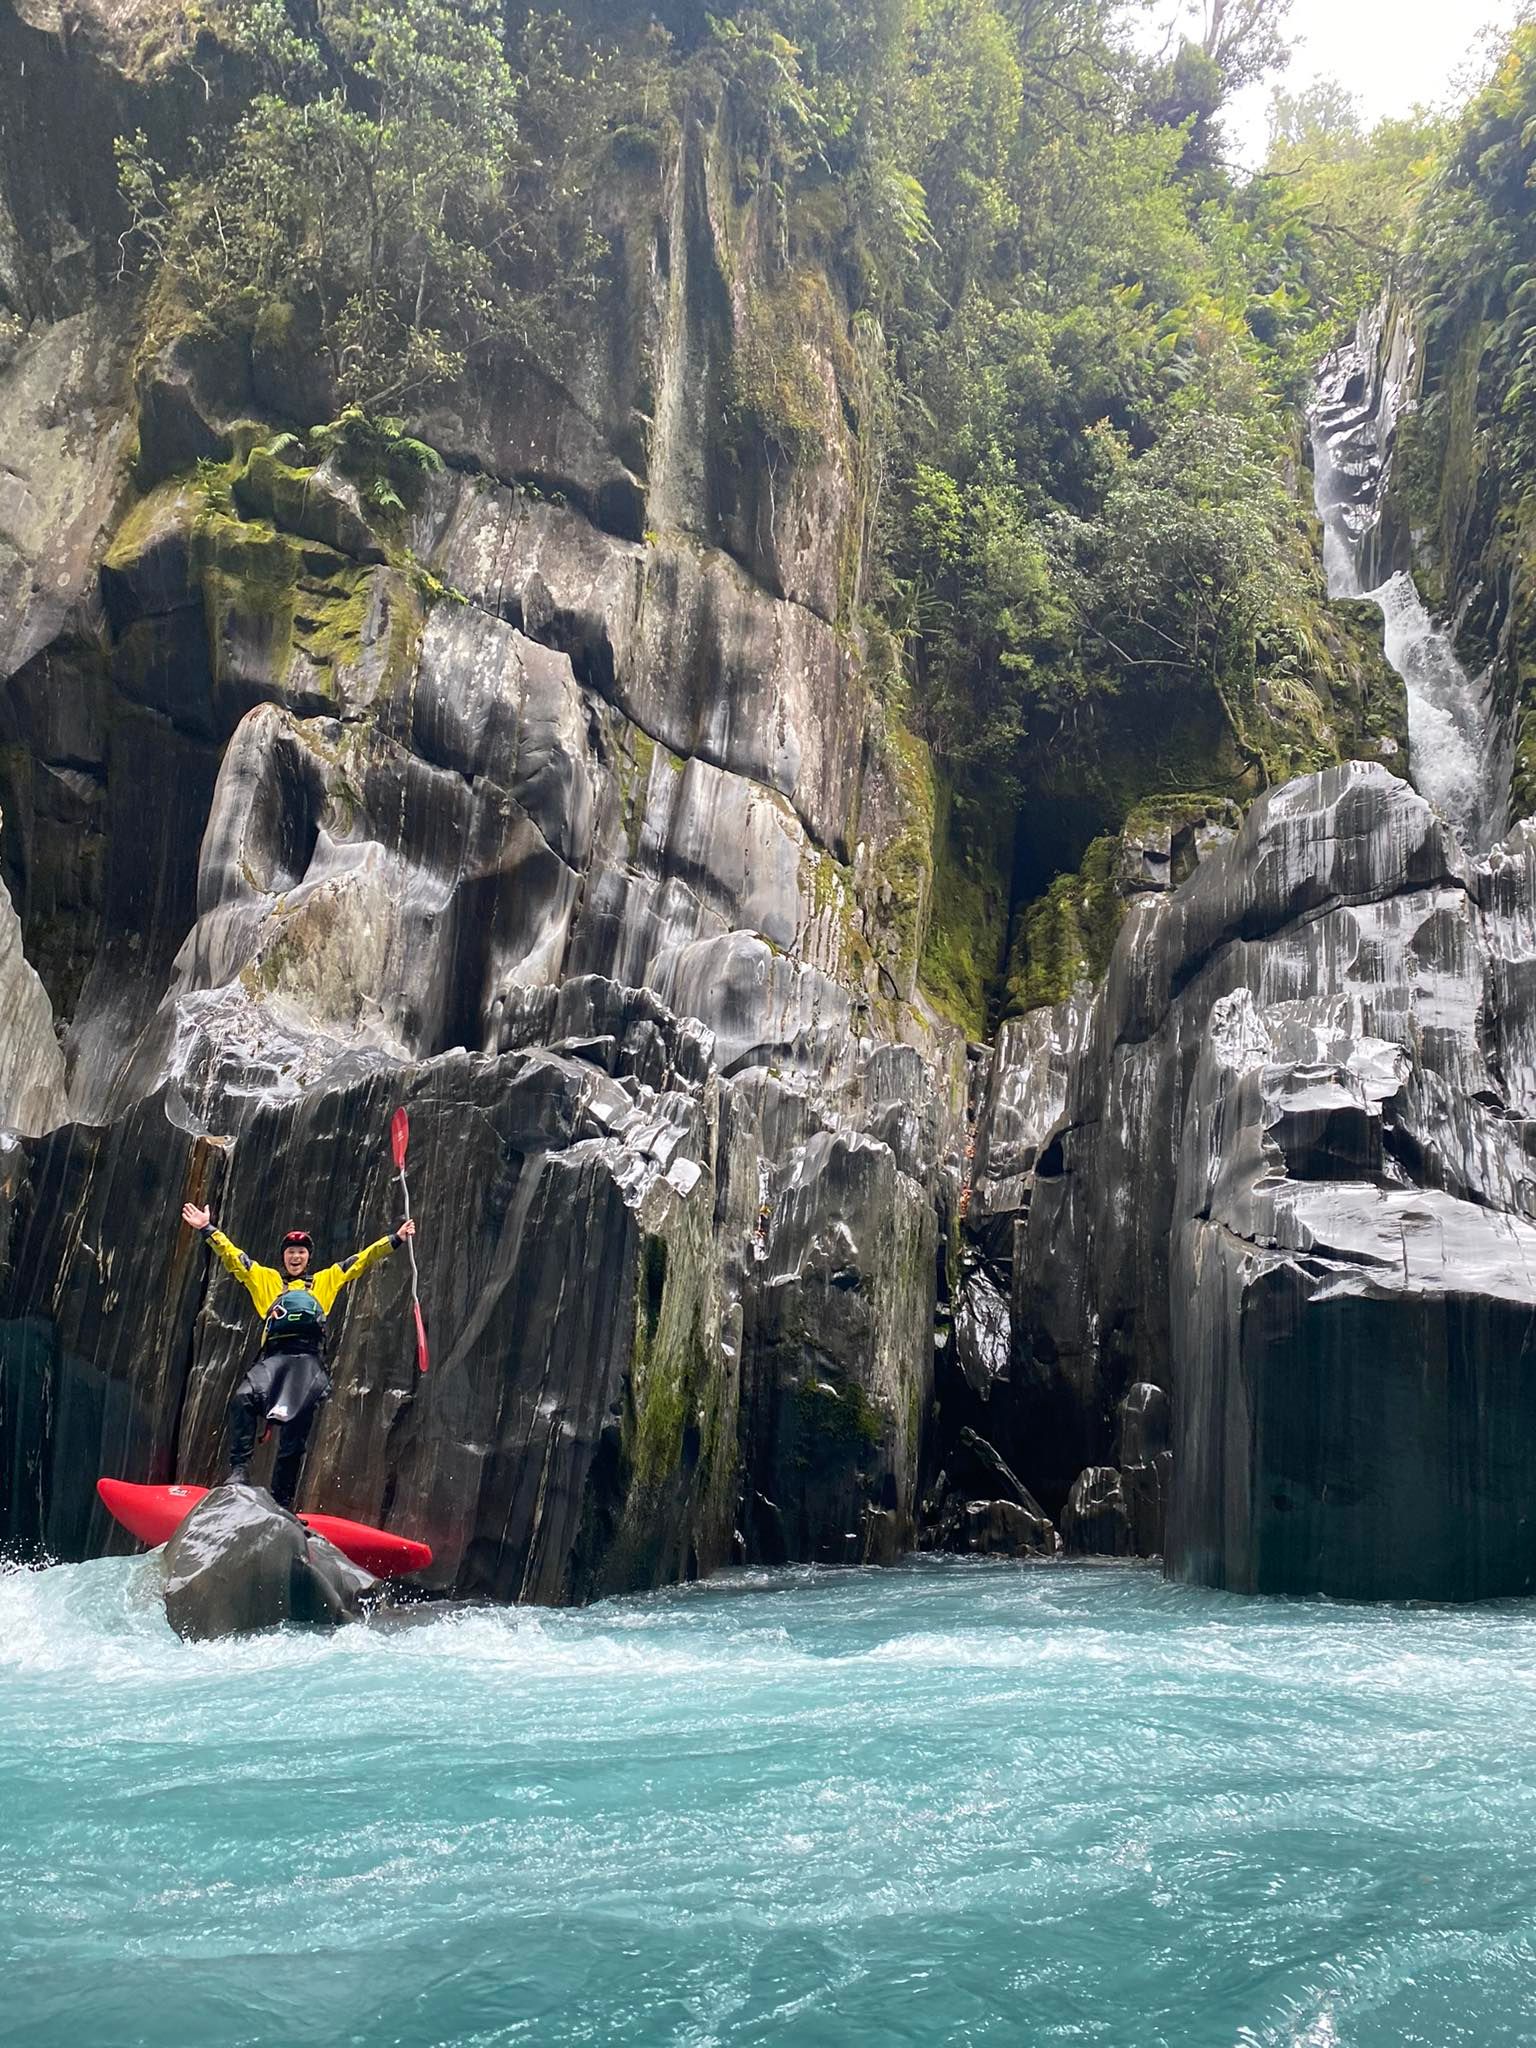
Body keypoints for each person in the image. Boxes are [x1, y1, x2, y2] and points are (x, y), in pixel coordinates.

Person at [181, 1203, 419, 1509]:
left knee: (296, 1433)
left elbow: (361, 1261)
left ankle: (283, 1501)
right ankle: (239, 1471)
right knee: (243, 1399)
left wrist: (396, 1239)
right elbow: (232, 1256)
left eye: (302, 1252)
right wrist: (206, 1228)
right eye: (291, 1251)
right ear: (284, 1256)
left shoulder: (326, 1279)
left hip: (306, 1362)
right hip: (274, 1359)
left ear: (308, 1258)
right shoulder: (264, 1279)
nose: (296, 1256)